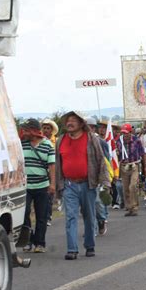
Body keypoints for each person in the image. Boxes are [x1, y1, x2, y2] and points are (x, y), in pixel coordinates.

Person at [56, 111, 110, 260]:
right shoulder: (60, 140)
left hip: (88, 184)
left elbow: (101, 160)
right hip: (69, 185)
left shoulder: (91, 139)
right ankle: (72, 249)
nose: (69, 123)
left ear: (81, 124)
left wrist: (105, 183)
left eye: (73, 120)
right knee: (70, 217)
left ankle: (90, 246)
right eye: (68, 120)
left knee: (89, 216)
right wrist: (58, 186)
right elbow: (58, 164)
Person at [20, 118, 56, 253]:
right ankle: (29, 240)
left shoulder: (47, 145)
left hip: (42, 186)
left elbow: (52, 166)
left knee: (42, 216)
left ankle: (40, 243)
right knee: (25, 213)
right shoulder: (22, 144)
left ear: (34, 131)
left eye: (27, 130)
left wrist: (52, 184)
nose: (24, 132)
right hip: (26, 186)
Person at [86, 118, 111, 236]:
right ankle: (91, 229)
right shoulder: (79, 141)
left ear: (94, 128)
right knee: (86, 205)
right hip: (83, 177)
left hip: (97, 177)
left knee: (96, 201)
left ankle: (101, 220)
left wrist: (105, 178)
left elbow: (106, 161)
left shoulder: (101, 142)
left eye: (90, 126)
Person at [116, 123, 146, 216]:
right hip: (124, 166)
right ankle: (129, 207)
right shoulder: (119, 141)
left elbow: (142, 154)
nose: (125, 135)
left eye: (126, 133)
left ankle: (135, 206)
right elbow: (116, 154)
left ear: (130, 132)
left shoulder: (136, 140)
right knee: (125, 188)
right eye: (123, 133)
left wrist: (145, 166)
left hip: (134, 165)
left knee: (133, 186)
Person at [41, 118, 59, 227]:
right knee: (44, 195)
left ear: (51, 130)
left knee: (50, 195)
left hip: (53, 170)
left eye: (48, 128)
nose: (46, 130)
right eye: (44, 128)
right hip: (42, 171)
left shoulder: (56, 142)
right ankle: (45, 215)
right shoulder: (39, 140)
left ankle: (48, 215)